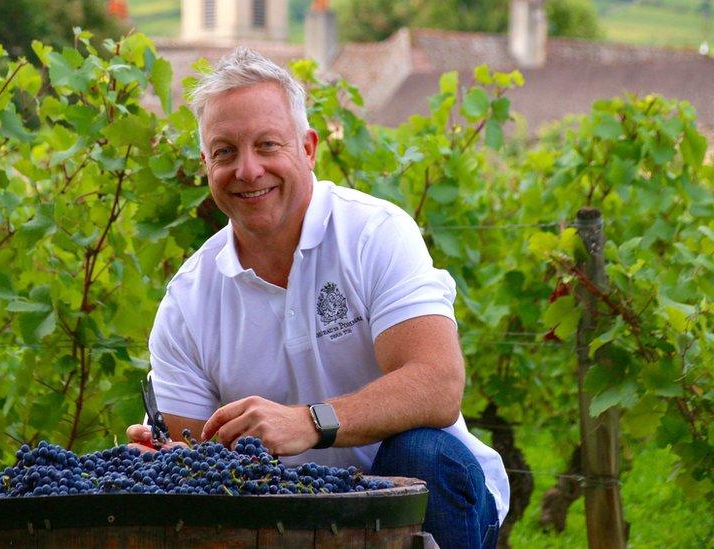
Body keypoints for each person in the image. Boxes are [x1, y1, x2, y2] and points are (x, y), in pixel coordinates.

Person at [126, 47, 509, 548]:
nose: (247, 170)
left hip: (429, 502)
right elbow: (198, 461)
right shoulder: (187, 301)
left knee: (421, 454)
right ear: (205, 164)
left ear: (307, 149)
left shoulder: (374, 234)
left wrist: (311, 422)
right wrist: (169, 460)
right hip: (287, 520)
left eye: (267, 145)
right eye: (224, 152)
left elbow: (437, 383)